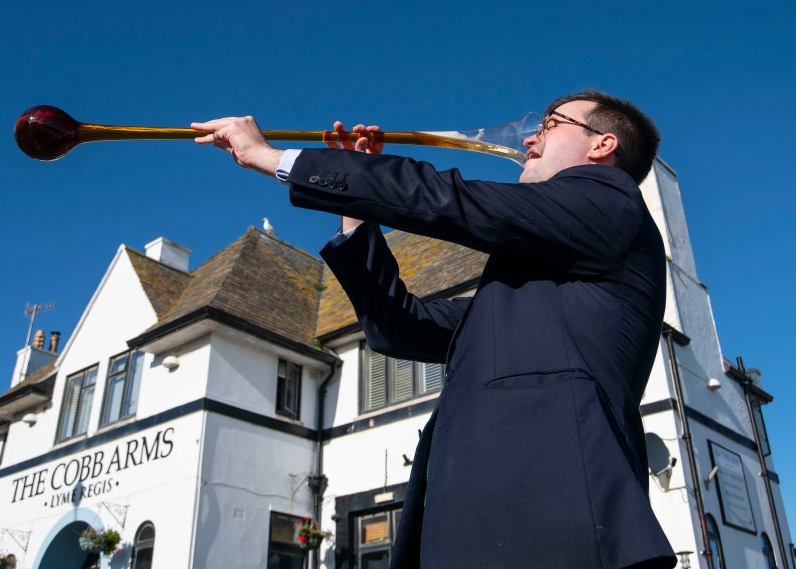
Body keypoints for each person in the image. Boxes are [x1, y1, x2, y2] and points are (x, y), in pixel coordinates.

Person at [192, 90, 677, 569]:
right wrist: (357, 207)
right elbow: (399, 327)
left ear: (602, 146)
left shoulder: (613, 203)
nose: (529, 139)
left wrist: (275, 158)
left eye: (550, 124)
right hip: (477, 528)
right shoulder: (531, 292)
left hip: (556, 520)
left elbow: (455, 201)